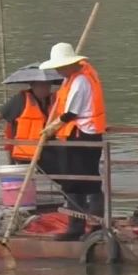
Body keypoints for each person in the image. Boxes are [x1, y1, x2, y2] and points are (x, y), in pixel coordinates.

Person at [39, 42, 107, 241]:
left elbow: (70, 113)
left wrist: (51, 128)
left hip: (84, 133)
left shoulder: (80, 81)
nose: (58, 70)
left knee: (86, 180)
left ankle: (92, 225)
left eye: (60, 66)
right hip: (78, 133)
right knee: (73, 179)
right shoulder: (72, 78)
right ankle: (76, 225)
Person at [0, 63, 62, 169]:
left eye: (48, 85)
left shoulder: (53, 100)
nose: (45, 88)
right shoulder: (20, 100)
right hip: (25, 153)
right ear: (32, 85)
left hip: (48, 151)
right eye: (41, 85)